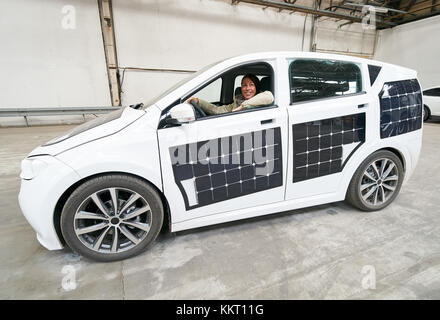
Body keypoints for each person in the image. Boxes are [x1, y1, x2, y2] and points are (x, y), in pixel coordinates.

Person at [187, 74, 274, 115]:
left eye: (251, 85)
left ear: (256, 87)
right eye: (244, 85)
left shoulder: (261, 98)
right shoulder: (237, 101)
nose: (247, 88)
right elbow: (217, 110)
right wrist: (199, 102)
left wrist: (243, 106)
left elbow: (269, 96)